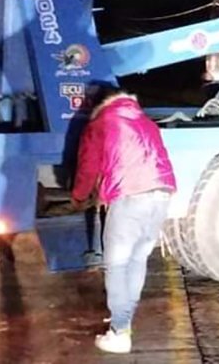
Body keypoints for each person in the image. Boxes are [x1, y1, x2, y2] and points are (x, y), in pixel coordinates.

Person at [72, 84, 177, 354]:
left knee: (117, 265)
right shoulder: (146, 122)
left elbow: (88, 166)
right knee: (137, 260)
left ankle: (120, 332)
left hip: (130, 197)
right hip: (162, 194)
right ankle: (123, 321)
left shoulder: (101, 123)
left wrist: (79, 196)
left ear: (99, 104)